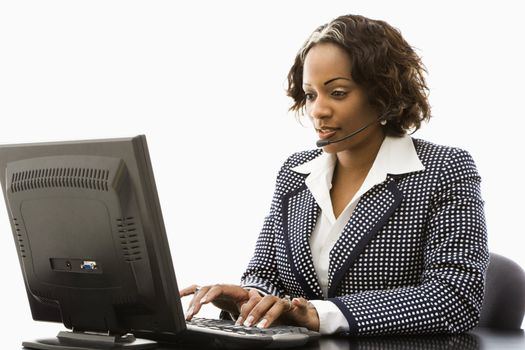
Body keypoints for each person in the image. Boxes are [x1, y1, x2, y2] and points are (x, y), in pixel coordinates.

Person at [180, 14, 489, 336]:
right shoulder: (295, 172)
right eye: (311, 94)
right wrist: (252, 298)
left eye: (337, 93)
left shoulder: (444, 169)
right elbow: (264, 272)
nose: (317, 110)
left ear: (384, 96)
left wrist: (319, 314)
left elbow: (456, 298)